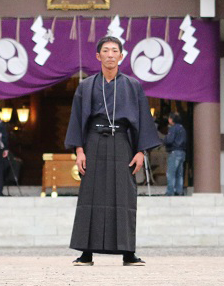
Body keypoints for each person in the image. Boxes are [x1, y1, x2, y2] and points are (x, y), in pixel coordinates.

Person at [66, 36, 161, 267]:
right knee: (91, 196)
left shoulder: (133, 85)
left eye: (114, 51)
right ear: (98, 56)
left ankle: (128, 253)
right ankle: (86, 253)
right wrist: (79, 150)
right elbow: (78, 120)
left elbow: (142, 119)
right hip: (93, 141)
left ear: (121, 56)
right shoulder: (86, 86)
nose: (110, 54)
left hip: (122, 142)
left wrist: (141, 151)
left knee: (124, 196)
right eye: (105, 51)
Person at [163, 114, 188, 196]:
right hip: (182, 152)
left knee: (171, 173)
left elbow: (169, 140)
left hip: (174, 151)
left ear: (171, 119)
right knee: (179, 174)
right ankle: (179, 191)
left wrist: (164, 140)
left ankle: (170, 191)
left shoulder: (173, 128)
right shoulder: (182, 128)